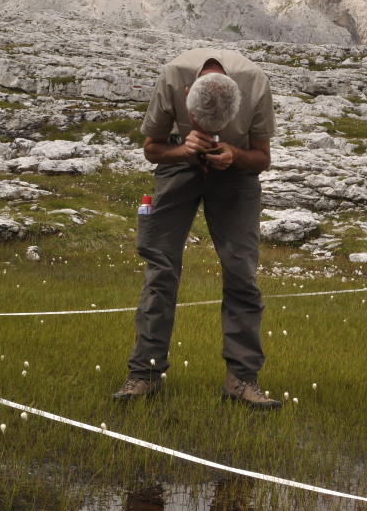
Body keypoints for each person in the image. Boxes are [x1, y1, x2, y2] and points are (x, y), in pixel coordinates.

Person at [112, 47, 280, 409]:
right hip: (178, 163)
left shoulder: (256, 85)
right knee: (160, 268)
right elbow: (152, 149)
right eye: (200, 125)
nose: (208, 133)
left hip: (237, 173)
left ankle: (242, 379)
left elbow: (263, 159)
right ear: (187, 97)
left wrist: (235, 155)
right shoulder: (173, 76)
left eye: (216, 129)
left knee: (241, 272)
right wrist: (183, 151)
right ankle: (145, 374)